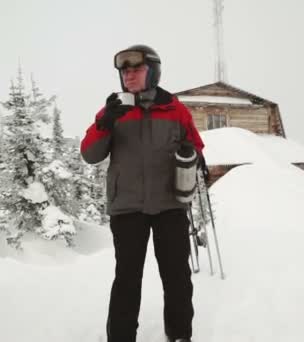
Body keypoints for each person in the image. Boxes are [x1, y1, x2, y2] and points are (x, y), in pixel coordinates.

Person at [80, 45, 204, 342]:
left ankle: (179, 335)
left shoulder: (175, 109)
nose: (130, 75)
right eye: (125, 71)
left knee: (177, 278)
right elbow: (90, 154)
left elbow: (196, 146)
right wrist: (104, 123)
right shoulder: (112, 110)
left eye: (136, 69)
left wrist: (192, 154)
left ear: (153, 72)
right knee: (127, 279)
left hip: (170, 205)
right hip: (128, 208)